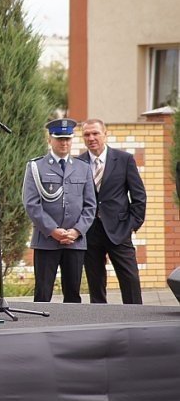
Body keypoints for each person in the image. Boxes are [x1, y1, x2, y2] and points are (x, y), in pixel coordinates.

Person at [22, 118, 96, 303]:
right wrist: (53, 230)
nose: (64, 143)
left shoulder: (83, 167)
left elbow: (90, 205)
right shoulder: (36, 167)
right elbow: (31, 203)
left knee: (73, 294)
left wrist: (77, 231)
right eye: (59, 138)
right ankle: (40, 330)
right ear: (50, 139)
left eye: (68, 139)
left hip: (75, 241)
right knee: (43, 293)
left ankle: (71, 330)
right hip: (46, 240)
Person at [78, 119, 146, 304]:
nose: (91, 138)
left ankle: (136, 319)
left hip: (119, 229)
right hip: (90, 232)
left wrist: (132, 225)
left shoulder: (124, 159)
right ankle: (101, 321)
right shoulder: (77, 163)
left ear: (105, 134)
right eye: (87, 134)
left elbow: (138, 195)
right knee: (95, 282)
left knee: (130, 280)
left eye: (95, 133)